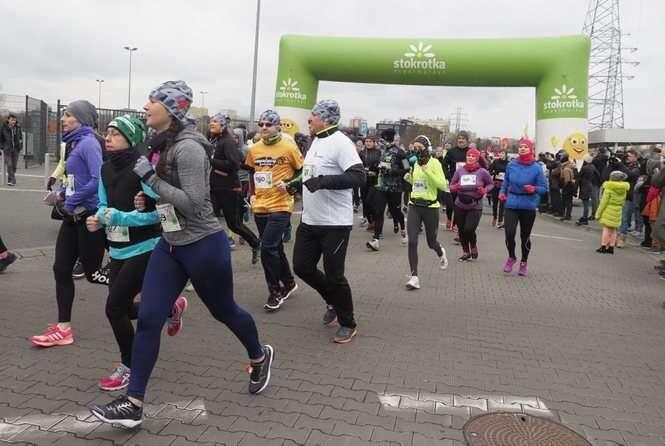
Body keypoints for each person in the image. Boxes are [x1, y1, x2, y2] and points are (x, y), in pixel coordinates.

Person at [90, 81, 272, 428]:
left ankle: (260, 355)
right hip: (170, 245)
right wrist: (150, 200)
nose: (146, 107)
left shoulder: (188, 148)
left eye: (152, 101)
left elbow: (193, 203)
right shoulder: (163, 143)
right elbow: (167, 197)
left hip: (202, 245)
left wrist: (151, 182)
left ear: (171, 109)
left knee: (224, 311)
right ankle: (133, 403)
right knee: (149, 319)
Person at [85, 114, 187, 391]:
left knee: (114, 308)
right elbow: (103, 204)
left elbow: (163, 214)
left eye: (116, 134)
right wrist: (98, 219)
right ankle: (170, 308)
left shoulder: (143, 169)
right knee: (124, 308)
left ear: (131, 138)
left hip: (146, 248)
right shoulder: (105, 168)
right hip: (117, 249)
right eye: (107, 132)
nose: (108, 138)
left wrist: (121, 218)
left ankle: (130, 367)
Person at [31, 100, 106, 347]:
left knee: (94, 274)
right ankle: (64, 328)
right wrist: (61, 194)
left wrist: (72, 200)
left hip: (88, 217)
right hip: (72, 217)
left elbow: (97, 179)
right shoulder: (74, 142)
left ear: (82, 119)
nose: (63, 119)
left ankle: (154, 299)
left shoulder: (89, 143)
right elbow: (75, 178)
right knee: (61, 269)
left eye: (68, 115)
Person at [292, 99, 365, 344]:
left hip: (335, 223)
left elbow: (358, 177)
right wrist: (293, 186)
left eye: (313, 115)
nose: (309, 119)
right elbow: (309, 174)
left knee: (335, 275)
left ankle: (348, 322)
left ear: (325, 118)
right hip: (310, 220)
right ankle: (332, 300)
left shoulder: (341, 142)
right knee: (302, 267)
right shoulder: (315, 140)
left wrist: (323, 182)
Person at [245, 109, 302, 312]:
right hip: (260, 205)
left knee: (267, 247)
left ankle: (275, 291)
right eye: (261, 124)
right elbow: (252, 173)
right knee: (275, 247)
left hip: (281, 204)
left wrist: (290, 184)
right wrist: (251, 194)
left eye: (268, 124)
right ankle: (289, 282)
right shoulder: (254, 149)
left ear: (278, 127)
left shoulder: (289, 147)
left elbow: (303, 171)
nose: (264, 127)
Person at [209, 112, 260, 264]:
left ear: (223, 125)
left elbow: (234, 164)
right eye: (211, 121)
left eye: (215, 121)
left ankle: (255, 243)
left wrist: (212, 161)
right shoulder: (216, 140)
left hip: (229, 189)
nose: (212, 123)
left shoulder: (227, 141)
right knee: (208, 220)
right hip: (215, 188)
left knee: (234, 224)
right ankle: (213, 252)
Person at [402, 135, 448, 290]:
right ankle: (414, 277)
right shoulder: (414, 162)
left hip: (430, 207)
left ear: (427, 148)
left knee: (431, 242)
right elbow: (417, 183)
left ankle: (440, 251)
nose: (416, 150)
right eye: (414, 148)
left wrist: (427, 171)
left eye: (419, 148)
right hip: (414, 205)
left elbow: (442, 185)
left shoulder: (435, 163)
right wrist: (409, 178)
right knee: (412, 241)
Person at [499, 138, 548, 276]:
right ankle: (511, 257)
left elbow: (544, 188)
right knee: (509, 233)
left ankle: (524, 262)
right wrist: (502, 192)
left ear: (530, 149)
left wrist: (534, 189)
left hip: (528, 205)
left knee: (524, 237)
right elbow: (506, 182)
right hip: (512, 203)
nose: (522, 148)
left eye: (526, 147)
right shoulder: (511, 165)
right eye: (520, 146)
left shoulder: (536, 167)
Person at [449, 148, 494, 261]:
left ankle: (473, 244)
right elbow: (451, 186)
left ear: (477, 158)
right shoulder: (460, 171)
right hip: (460, 204)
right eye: (469, 156)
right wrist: (456, 187)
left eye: (473, 156)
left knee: (469, 229)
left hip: (475, 205)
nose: (470, 158)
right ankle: (466, 252)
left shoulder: (482, 172)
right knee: (461, 230)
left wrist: (484, 190)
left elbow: (491, 184)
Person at [371, 128, 408, 247]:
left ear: (389, 139)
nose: (381, 142)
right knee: (378, 211)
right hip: (381, 187)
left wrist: (393, 171)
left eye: (383, 140)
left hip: (395, 188)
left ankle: (403, 229)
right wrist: (375, 169)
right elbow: (377, 165)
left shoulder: (400, 152)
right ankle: (376, 239)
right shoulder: (380, 151)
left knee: (395, 211)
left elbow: (407, 168)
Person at [595, 171, 630, 254]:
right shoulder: (624, 188)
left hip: (608, 208)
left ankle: (603, 246)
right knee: (614, 229)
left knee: (606, 229)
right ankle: (611, 247)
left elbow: (604, 202)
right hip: (618, 209)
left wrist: (598, 213)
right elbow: (623, 200)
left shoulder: (609, 187)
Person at [617, 149, 641, 247]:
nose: (627, 158)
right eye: (627, 156)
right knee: (619, 216)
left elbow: (631, 175)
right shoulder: (626, 165)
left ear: (635, 157)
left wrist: (621, 164)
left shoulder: (637, 167)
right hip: (621, 193)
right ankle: (616, 236)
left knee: (624, 217)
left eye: (629, 156)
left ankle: (621, 239)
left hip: (629, 195)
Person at [359, 135, 381, 233]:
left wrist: (375, 171)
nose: (368, 143)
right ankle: (370, 221)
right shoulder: (362, 153)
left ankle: (375, 221)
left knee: (371, 201)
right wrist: (364, 171)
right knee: (365, 202)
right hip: (364, 180)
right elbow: (359, 165)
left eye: (370, 141)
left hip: (374, 181)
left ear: (374, 142)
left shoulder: (378, 152)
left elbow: (381, 165)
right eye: (366, 141)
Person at [576, 154, 601, 225]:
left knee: (585, 202)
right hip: (590, 184)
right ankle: (585, 217)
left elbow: (579, 176)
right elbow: (598, 175)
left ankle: (585, 217)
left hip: (584, 186)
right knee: (587, 202)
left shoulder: (584, 168)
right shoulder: (593, 167)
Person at [0, 114, 23, 186]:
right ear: (8, 120)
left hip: (16, 149)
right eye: (12, 120)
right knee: (9, 165)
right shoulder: (3, 127)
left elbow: (20, 137)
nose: (13, 121)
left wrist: (20, 146)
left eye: (14, 120)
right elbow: (0, 138)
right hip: (7, 149)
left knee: (14, 166)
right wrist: (2, 147)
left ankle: (10, 180)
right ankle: (13, 180)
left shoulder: (18, 127)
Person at [489, 150, 508, 228]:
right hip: (496, 184)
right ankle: (494, 217)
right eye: (500, 153)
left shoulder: (509, 163)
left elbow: (510, 173)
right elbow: (490, 171)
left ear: (506, 155)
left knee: (502, 203)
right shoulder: (495, 162)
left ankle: (500, 220)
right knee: (495, 202)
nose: (501, 154)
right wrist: (494, 172)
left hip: (504, 185)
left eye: (503, 153)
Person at [559, 154, 577, 221]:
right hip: (570, 187)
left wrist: (563, 186)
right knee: (569, 202)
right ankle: (568, 215)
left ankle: (566, 215)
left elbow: (567, 180)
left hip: (567, 187)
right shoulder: (569, 168)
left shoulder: (566, 169)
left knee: (566, 202)